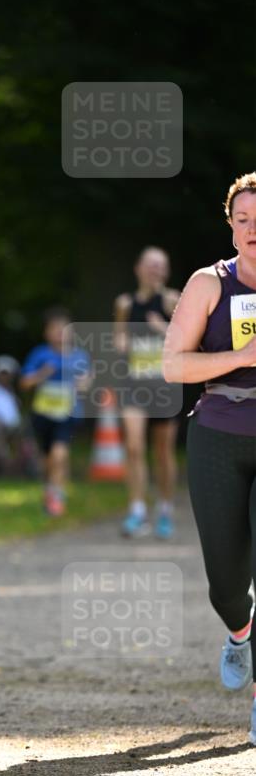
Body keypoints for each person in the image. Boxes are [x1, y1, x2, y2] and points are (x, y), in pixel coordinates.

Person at [163, 171, 256, 745]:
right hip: (219, 433)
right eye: (243, 220)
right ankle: (240, 632)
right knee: (226, 582)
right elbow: (173, 365)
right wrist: (243, 356)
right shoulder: (209, 283)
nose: (253, 230)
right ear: (231, 226)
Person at [114, 247, 181, 538]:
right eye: (151, 265)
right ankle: (137, 510)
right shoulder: (125, 303)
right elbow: (119, 337)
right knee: (133, 447)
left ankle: (164, 509)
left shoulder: (173, 299)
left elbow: (188, 339)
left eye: (160, 266)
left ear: (166, 271)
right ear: (138, 268)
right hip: (135, 385)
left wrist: (162, 327)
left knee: (163, 452)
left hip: (164, 386)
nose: (155, 270)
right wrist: (121, 344)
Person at [20, 307, 91, 516]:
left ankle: (57, 496)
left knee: (59, 453)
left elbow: (88, 380)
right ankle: (51, 489)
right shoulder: (39, 354)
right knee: (47, 459)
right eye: (55, 328)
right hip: (43, 413)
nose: (60, 333)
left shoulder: (79, 356)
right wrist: (42, 374)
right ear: (46, 332)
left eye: (64, 328)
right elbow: (24, 383)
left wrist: (83, 383)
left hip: (68, 413)